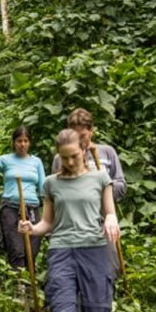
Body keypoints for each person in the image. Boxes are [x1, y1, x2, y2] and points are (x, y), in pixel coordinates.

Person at [19, 129, 121, 312]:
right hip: (62, 251)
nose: (70, 163)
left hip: (95, 250)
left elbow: (109, 211)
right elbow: (47, 223)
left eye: (74, 156)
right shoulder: (52, 183)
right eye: (64, 158)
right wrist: (31, 228)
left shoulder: (100, 178)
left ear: (84, 150)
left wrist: (112, 221)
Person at [51, 108, 127, 279]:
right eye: (75, 135)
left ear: (91, 131)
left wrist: (102, 190)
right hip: (73, 226)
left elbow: (122, 185)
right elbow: (56, 193)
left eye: (83, 135)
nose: (80, 140)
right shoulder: (60, 159)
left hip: (103, 223)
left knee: (110, 268)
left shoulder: (107, 152)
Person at [0, 126, 46, 270]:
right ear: (14, 143)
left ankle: (29, 287)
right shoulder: (6, 160)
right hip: (11, 208)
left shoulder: (36, 162)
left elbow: (43, 188)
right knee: (17, 249)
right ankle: (18, 286)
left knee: (32, 251)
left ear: (29, 143)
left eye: (25, 141)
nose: (22, 144)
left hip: (32, 208)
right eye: (19, 141)